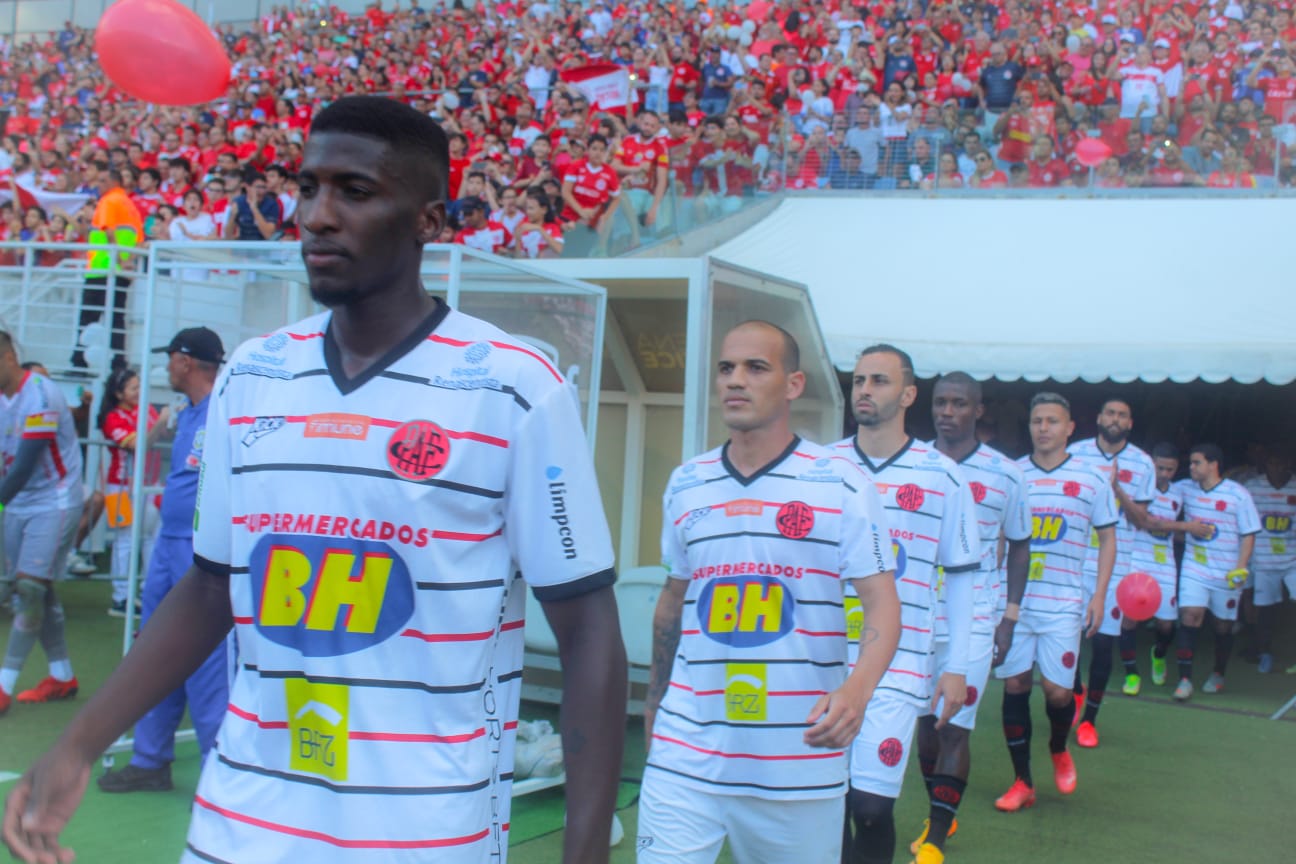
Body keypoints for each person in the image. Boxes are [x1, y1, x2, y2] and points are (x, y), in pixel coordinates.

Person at [3, 95, 628, 864]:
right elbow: (208, 591)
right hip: (242, 819)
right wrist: (78, 743)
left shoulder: (513, 386)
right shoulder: (255, 375)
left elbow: (590, 631)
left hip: (423, 830)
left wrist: (586, 852)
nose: (317, 215)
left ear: (430, 220)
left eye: (355, 192)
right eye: (307, 188)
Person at [639, 321, 901, 864]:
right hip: (687, 750)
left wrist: (856, 692)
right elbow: (673, 599)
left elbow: (881, 603)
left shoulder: (843, 484)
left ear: (793, 384)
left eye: (756, 368)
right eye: (726, 368)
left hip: (798, 758)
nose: (736, 381)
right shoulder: (687, 484)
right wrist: (653, 700)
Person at [831, 345, 980, 864]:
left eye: (879, 381)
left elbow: (962, 577)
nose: (864, 390)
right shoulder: (821, 466)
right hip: (820, 659)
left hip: (898, 663)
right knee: (826, 801)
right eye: (858, 381)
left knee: (870, 806)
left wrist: (956, 666)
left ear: (909, 394)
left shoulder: (943, 476)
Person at [97, 328, 227, 794]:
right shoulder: (189, 413)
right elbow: (147, 445)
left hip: (199, 551)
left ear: (186, 362)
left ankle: (218, 771)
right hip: (169, 546)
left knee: (208, 660)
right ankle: (150, 759)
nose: (166, 367)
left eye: (171, 358)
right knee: (154, 650)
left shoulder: (225, 412)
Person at [911, 372, 1031, 863]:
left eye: (959, 403)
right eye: (940, 402)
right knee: (923, 723)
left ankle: (936, 839)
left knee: (955, 725)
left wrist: (1009, 616)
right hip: (915, 614)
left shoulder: (1006, 473)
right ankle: (941, 809)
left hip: (976, 618)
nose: (947, 412)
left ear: (978, 411)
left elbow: (1021, 544)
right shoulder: (911, 463)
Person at [994, 392, 1116, 813]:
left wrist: (1099, 594)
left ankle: (1059, 747)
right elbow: (999, 537)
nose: (1043, 428)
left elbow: (1108, 538)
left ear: (1069, 429)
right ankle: (1022, 780)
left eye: (1051, 421)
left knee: (1058, 693)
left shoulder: (1091, 479)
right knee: (1015, 685)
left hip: (1063, 603)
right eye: (1036, 421)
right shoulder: (1011, 475)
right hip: (1015, 603)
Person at [0, 331, 85, 716]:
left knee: (31, 589)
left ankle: (3, 686)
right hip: (17, 505)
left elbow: (24, 464)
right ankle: (62, 675)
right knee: (36, 589)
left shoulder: (41, 394)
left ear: (7, 357)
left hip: (54, 500)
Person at [1065, 397, 1156, 746]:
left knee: (1102, 645)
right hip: (1073, 559)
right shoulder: (1077, 453)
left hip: (1114, 564)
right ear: (1099, 418)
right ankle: (1075, 690)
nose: (1115, 419)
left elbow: (1143, 520)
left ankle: (1090, 719)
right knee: (1068, 636)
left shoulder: (1142, 463)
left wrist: (1115, 487)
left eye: (1123, 415)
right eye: (1110, 413)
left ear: (1130, 423)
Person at [1172, 444, 1260, 700]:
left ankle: (1218, 673)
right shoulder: (1185, 488)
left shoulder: (1237, 494)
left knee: (1223, 626)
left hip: (1227, 573)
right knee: (1190, 615)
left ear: (1213, 464)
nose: (1191, 468)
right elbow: (1161, 495)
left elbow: (1249, 533)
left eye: (1196, 463)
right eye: (1190, 463)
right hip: (1194, 568)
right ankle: (1184, 680)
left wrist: (1241, 566)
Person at [1129, 443, 1210, 688]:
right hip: (1136, 560)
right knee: (1129, 618)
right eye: (1160, 468)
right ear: (1151, 464)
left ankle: (1159, 654)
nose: (1164, 473)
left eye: (1170, 469)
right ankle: (1131, 673)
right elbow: (1146, 522)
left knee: (1166, 624)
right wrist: (1187, 527)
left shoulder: (1180, 491)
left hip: (1164, 564)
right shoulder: (1136, 489)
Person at [98, 367, 166, 618]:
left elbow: (162, 435)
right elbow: (139, 444)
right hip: (120, 487)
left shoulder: (146, 410)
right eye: (134, 388)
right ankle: (121, 597)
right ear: (118, 393)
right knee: (125, 541)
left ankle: (148, 592)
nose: (139, 392)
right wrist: (160, 423)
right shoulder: (112, 418)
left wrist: (162, 423)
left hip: (148, 484)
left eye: (140, 386)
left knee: (150, 539)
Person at [71, 167, 142, 371]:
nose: (97, 185)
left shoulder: (109, 201)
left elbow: (109, 232)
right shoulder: (130, 205)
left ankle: (78, 360)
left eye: (102, 180)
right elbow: (139, 241)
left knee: (88, 318)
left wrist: (119, 259)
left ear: (113, 182)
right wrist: (128, 262)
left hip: (102, 270)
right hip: (120, 272)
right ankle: (119, 362)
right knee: (116, 318)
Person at [1244, 448, 1296, 673]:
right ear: (1265, 465)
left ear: (1289, 463)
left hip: (1293, 559)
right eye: (1272, 463)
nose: (1276, 468)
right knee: (1265, 610)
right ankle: (1264, 653)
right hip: (1263, 560)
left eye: (1281, 463)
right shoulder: (1252, 488)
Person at [222, 172, 283, 241]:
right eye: (258, 187)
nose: (262, 191)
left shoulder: (271, 204)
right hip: (244, 244)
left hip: (263, 246)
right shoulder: (238, 202)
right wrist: (233, 216)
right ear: (247, 187)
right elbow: (228, 235)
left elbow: (268, 235)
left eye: (264, 187)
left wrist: (254, 209)